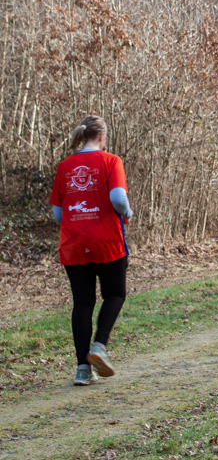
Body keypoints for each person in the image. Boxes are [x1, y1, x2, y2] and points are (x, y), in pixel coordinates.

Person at [51, 115, 134, 385]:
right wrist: (128, 212)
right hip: (106, 240)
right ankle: (98, 347)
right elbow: (118, 198)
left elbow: (57, 214)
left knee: (83, 303)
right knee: (115, 294)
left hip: (74, 244)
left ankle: (81, 370)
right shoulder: (111, 161)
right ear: (102, 136)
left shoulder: (65, 166)